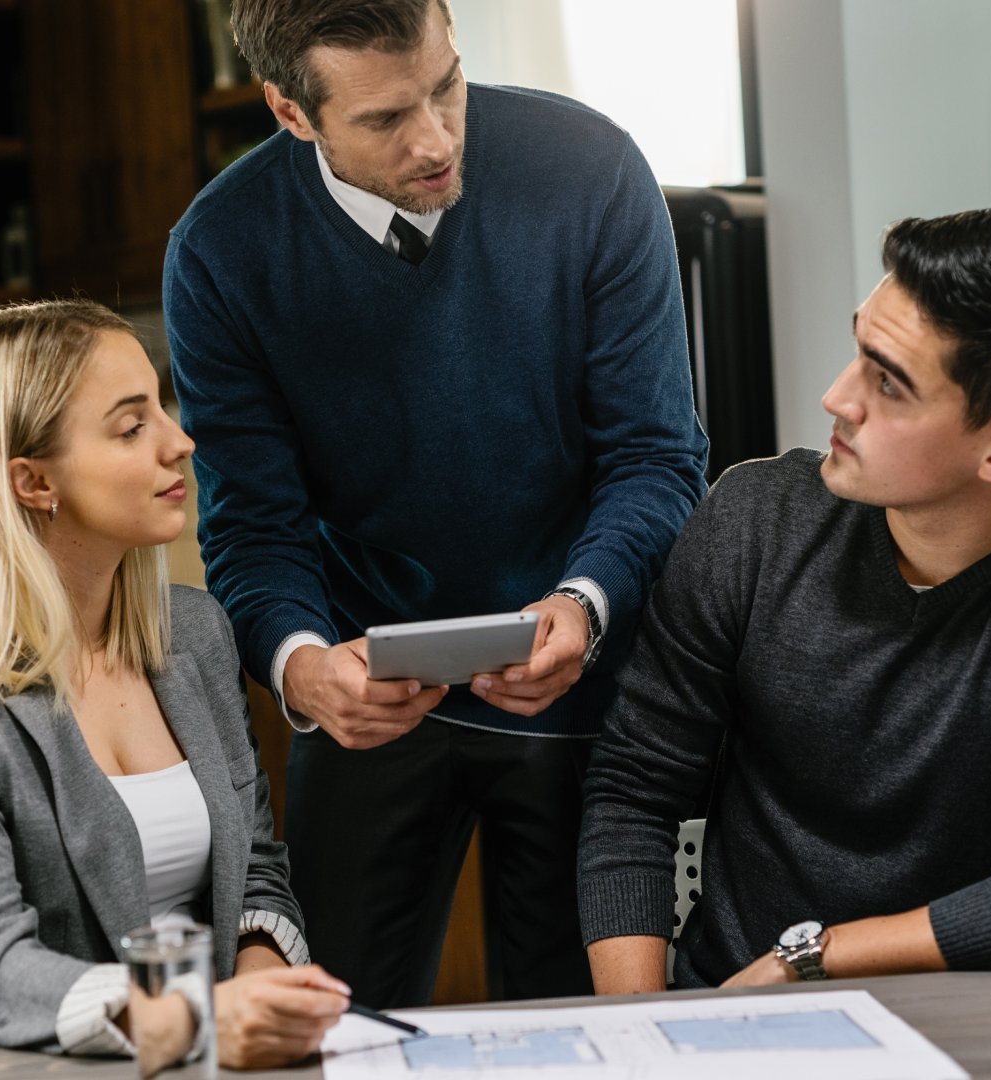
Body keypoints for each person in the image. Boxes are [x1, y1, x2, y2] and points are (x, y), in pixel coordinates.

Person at [164, 0, 707, 1006]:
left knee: (575, 1035)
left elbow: (657, 456)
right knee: (333, 1028)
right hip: (367, 697)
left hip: (581, 680)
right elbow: (251, 523)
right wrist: (300, 667)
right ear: (292, 111)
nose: (437, 137)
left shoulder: (590, 169)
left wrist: (586, 605)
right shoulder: (221, 252)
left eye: (446, 84)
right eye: (383, 119)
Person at [579, 209, 991, 992]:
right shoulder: (753, 520)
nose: (837, 397)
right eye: (859, 349)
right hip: (738, 1021)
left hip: (982, 1033)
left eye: (889, 381)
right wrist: (649, 1033)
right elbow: (632, 793)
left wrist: (809, 958)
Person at [0, 300, 350, 1065]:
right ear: (31, 481)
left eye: (163, 409)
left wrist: (263, 992)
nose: (180, 443)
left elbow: (255, 875)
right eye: (131, 426)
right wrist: (192, 1019)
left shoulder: (195, 634)